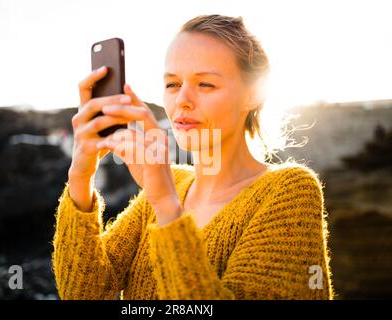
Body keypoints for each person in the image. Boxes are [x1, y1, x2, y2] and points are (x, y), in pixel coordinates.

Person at [52, 14, 334, 300]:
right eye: (172, 84)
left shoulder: (289, 190)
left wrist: (165, 205)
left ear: (252, 95)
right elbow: (82, 292)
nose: (182, 100)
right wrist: (80, 176)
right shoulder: (170, 181)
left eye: (205, 84)